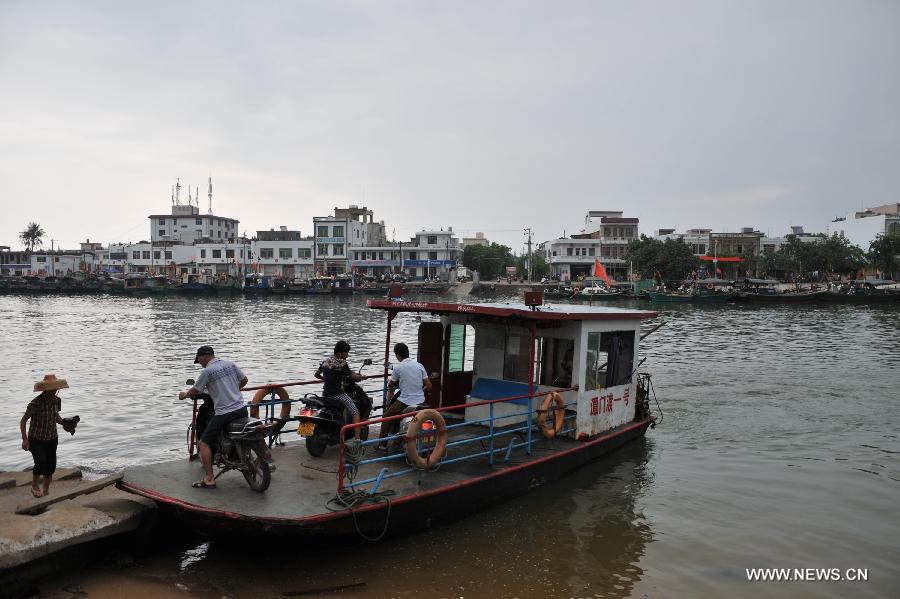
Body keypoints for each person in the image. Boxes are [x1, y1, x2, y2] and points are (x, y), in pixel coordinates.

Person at [179, 346, 248, 489]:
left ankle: (209, 479)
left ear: (203, 357)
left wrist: (184, 394)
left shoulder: (207, 371)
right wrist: (232, 391)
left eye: (199, 360)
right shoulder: (230, 364)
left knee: (204, 443)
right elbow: (244, 380)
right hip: (241, 409)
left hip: (224, 413)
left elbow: (195, 390)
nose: (200, 364)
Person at [20, 374, 77, 498]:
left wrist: (65, 424)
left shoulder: (57, 401)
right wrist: (25, 440)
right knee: (40, 462)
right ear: (45, 390)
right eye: (50, 389)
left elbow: (55, 416)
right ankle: (34, 485)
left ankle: (45, 491)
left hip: (52, 437)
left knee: (51, 465)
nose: (53, 391)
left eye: (55, 389)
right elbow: (23, 420)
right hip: (36, 438)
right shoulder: (36, 403)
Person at [377, 342, 431, 451]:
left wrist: (391, 382)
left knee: (386, 417)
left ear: (397, 355)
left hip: (404, 402)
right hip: (421, 401)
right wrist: (421, 390)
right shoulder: (419, 365)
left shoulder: (398, 368)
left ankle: (382, 445)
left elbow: (391, 384)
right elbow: (429, 385)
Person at [314, 340, 364, 429]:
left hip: (326, 394)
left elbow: (316, 374)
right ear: (340, 353)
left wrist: (325, 379)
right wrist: (363, 377)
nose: (347, 355)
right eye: (346, 353)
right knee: (355, 412)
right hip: (338, 394)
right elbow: (353, 377)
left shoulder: (325, 361)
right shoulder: (342, 363)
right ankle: (357, 440)